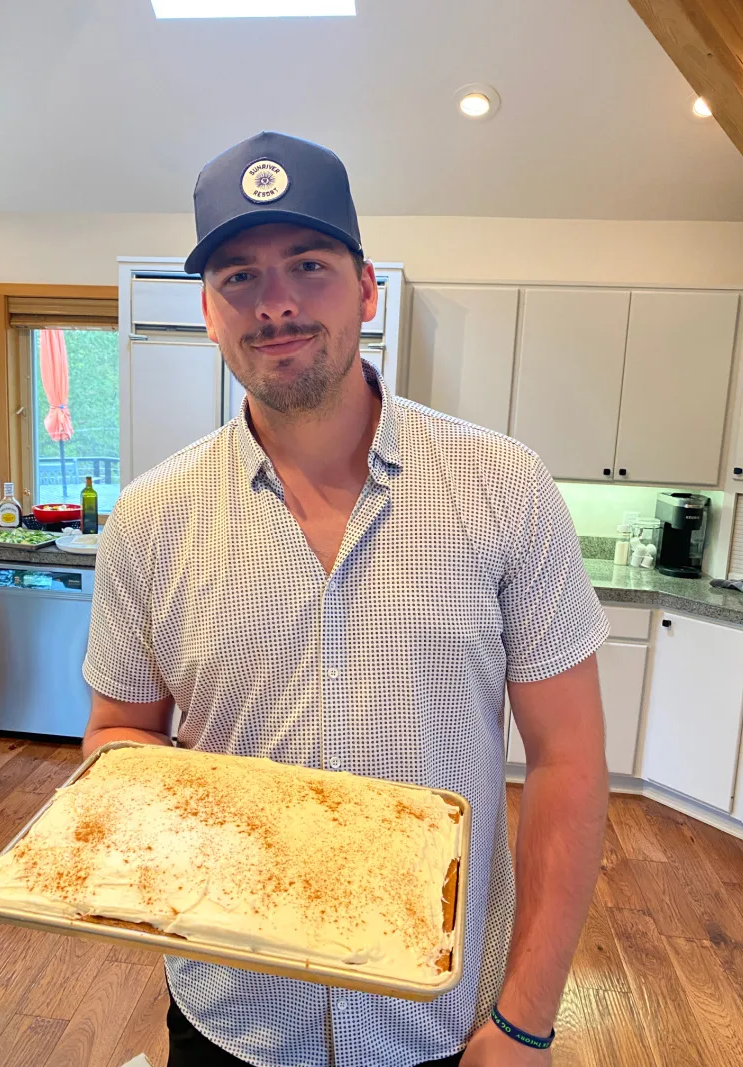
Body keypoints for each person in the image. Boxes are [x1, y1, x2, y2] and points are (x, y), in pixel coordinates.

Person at [83, 131, 610, 1067]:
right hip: (232, 1015)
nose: (276, 301)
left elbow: (568, 760)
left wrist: (526, 1020)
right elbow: (118, 733)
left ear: (367, 290)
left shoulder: (505, 488)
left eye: (309, 264)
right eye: (238, 276)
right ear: (208, 311)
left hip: (437, 1020)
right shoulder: (149, 517)